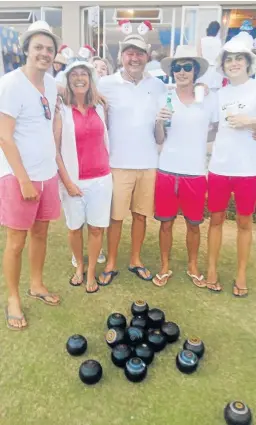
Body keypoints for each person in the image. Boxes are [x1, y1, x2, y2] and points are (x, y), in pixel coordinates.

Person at [0, 21, 61, 330]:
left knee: (41, 232)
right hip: (18, 177)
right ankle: (13, 298)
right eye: (38, 47)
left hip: (46, 174)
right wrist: (23, 180)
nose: (44, 53)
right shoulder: (10, 83)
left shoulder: (50, 83)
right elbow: (4, 136)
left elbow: (50, 122)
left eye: (49, 49)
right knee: (15, 242)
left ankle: (36, 285)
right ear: (26, 50)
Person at [97, 34, 167, 285]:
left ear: (147, 57)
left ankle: (135, 260)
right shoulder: (105, 84)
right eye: (129, 53)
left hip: (149, 163)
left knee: (140, 215)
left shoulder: (158, 85)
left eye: (139, 53)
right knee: (115, 217)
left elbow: (160, 132)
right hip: (117, 163)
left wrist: (161, 124)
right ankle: (112, 262)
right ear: (121, 57)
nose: (134, 58)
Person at [153, 45, 218, 287]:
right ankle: (165, 266)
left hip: (195, 172)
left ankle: (192, 265)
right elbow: (159, 138)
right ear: (171, 72)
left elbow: (216, 129)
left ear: (195, 71)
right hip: (167, 169)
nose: (182, 72)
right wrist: (159, 122)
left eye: (187, 67)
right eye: (177, 67)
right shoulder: (164, 98)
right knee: (166, 223)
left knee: (194, 224)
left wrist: (201, 141)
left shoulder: (208, 98)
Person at [54, 56, 112, 294]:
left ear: (90, 80)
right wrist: (67, 182)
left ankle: (90, 273)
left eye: (84, 75)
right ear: (68, 80)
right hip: (73, 180)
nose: (79, 79)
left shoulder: (100, 106)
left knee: (97, 228)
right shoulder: (61, 110)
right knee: (75, 227)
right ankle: (79, 266)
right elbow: (55, 150)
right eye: (74, 75)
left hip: (101, 178)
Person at [207, 37, 256, 296]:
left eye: (239, 58)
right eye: (229, 59)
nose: (234, 63)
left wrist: (252, 122)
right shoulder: (219, 95)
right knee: (216, 220)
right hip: (219, 167)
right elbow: (210, 127)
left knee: (244, 223)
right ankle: (212, 269)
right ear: (223, 65)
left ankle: (240, 274)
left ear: (248, 62)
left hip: (248, 170)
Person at [197, 21, 223, 91]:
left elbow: (199, 56)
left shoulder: (202, 40)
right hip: (215, 68)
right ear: (217, 31)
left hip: (204, 67)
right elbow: (220, 57)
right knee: (214, 91)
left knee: (202, 90)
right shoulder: (219, 41)